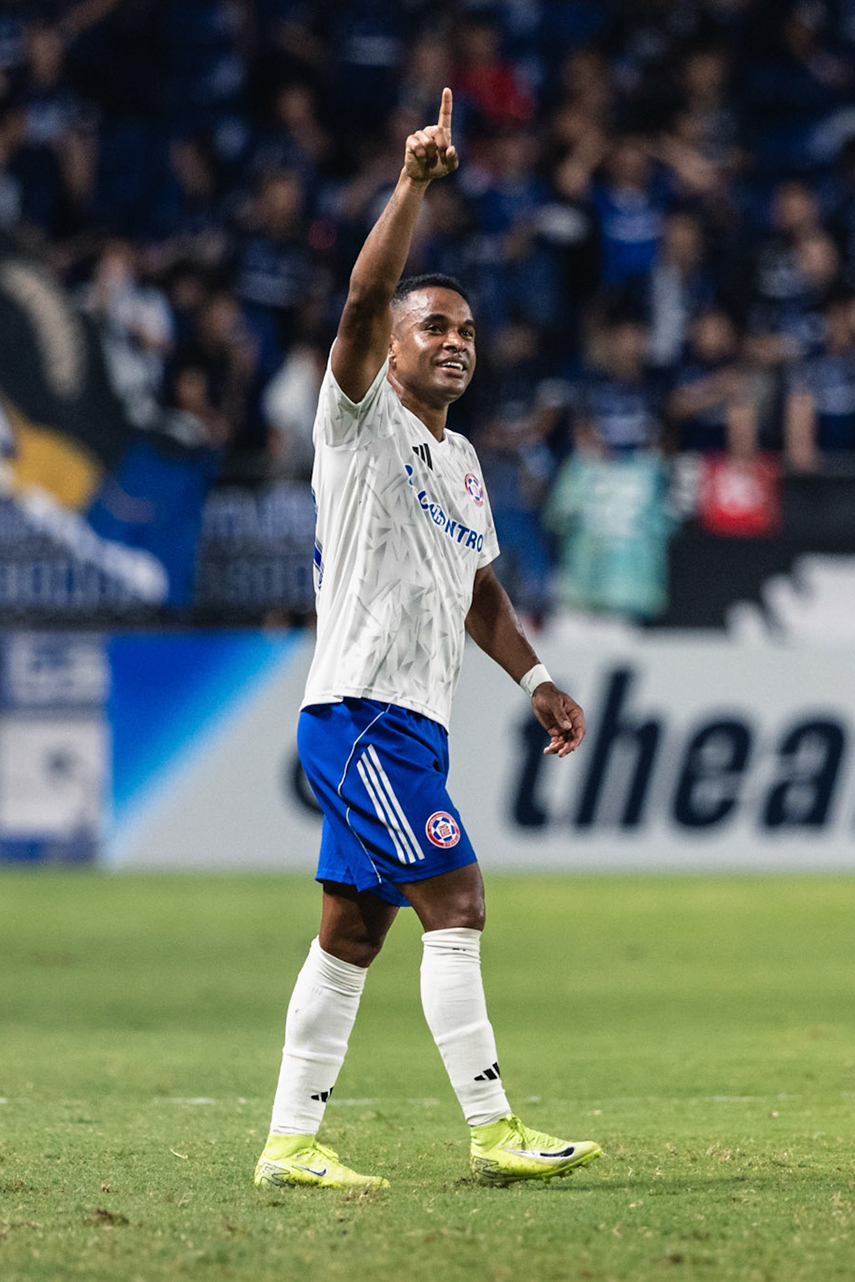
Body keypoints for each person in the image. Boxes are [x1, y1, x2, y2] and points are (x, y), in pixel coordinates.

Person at [255, 90, 602, 1191]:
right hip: (361, 713)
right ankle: (494, 1127)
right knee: (457, 900)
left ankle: (289, 1144)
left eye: (466, 331)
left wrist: (536, 677)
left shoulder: (461, 462)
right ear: (392, 348)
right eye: (434, 327)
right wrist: (412, 183)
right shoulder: (357, 420)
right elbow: (363, 297)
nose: (454, 343)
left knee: (352, 935)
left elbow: (478, 588)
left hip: (415, 720)